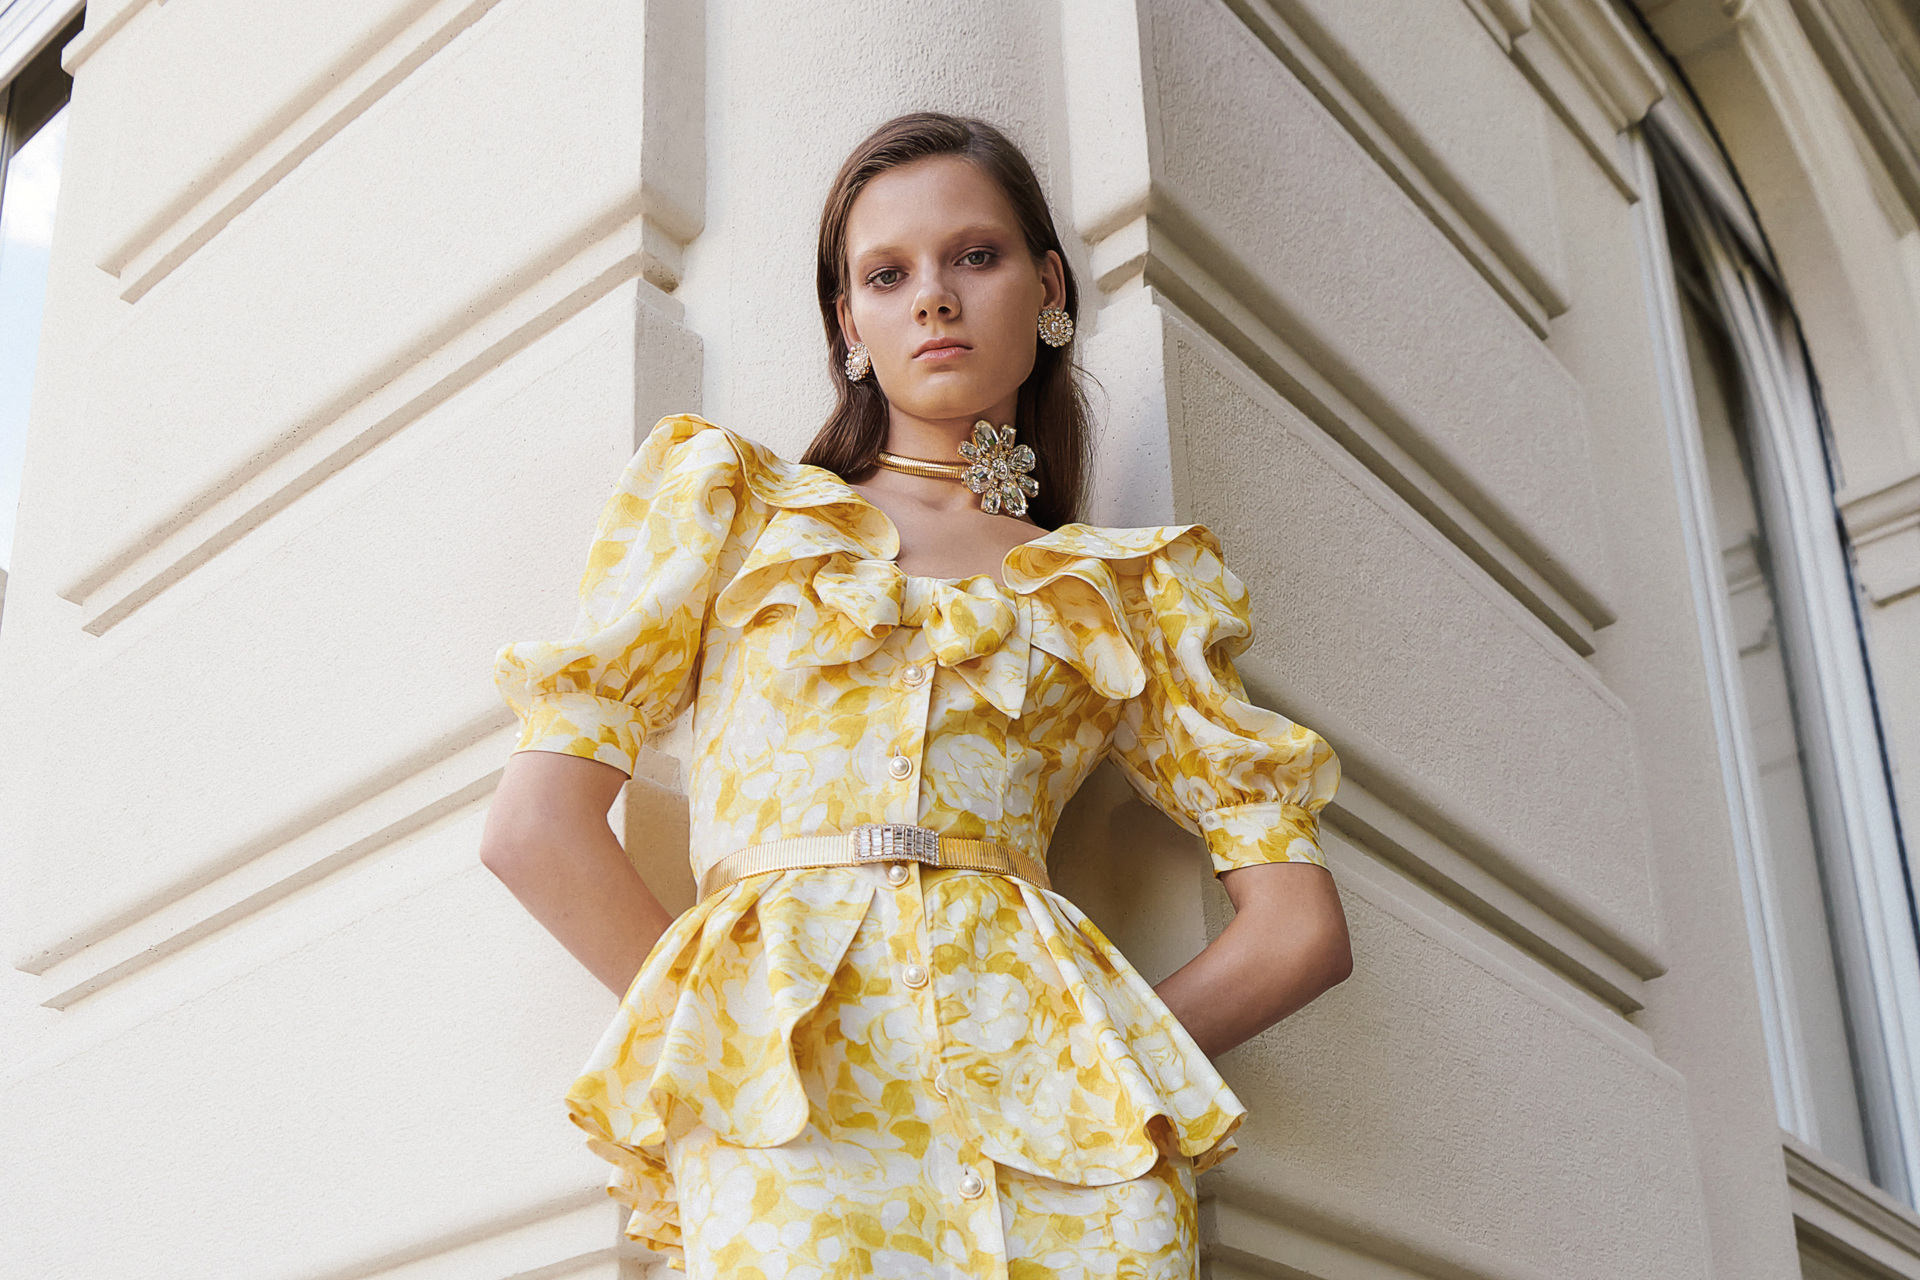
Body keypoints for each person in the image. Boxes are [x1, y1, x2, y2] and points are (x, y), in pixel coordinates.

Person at [478, 111, 1353, 1280]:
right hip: (787, 1115)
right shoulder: (735, 514)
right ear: (851, 323)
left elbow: (1300, 928)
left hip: (1062, 1153)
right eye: (887, 274)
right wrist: (720, 1040)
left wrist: (1096, 1060)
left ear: (1046, 286)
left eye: (975, 257)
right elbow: (533, 828)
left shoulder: (1120, 593)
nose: (932, 298)